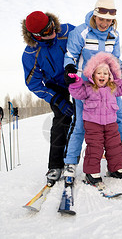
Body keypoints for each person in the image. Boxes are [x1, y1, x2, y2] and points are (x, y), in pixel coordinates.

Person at [63, 0, 122, 179]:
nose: (104, 23)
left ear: (113, 19)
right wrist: (70, 70)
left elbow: (116, 59)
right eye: (101, 18)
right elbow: (70, 55)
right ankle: (71, 163)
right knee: (80, 124)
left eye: (108, 20)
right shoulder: (81, 32)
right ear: (95, 15)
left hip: (108, 84)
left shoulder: (114, 35)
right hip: (86, 87)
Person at [68, 52, 122, 185]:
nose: (102, 75)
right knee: (95, 147)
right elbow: (76, 92)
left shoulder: (113, 88)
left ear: (110, 76)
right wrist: (74, 82)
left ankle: (116, 169)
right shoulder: (88, 88)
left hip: (111, 123)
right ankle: (91, 173)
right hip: (92, 124)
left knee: (115, 146)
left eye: (105, 73)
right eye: (99, 73)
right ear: (92, 75)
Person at [22, 11, 75, 186]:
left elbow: (88, 43)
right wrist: (56, 99)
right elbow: (34, 84)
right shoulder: (31, 53)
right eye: (46, 32)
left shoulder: (67, 32)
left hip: (75, 76)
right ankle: (55, 165)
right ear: (35, 35)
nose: (52, 32)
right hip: (56, 86)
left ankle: (116, 151)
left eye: (52, 26)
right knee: (62, 118)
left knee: (96, 112)